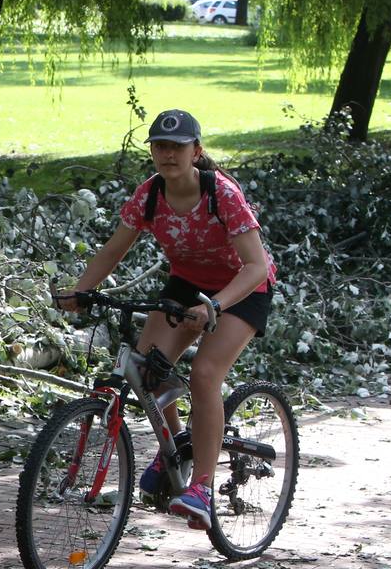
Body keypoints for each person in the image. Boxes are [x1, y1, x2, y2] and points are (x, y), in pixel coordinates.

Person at [58, 108, 276, 530]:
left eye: (177, 147)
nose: (168, 154)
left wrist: (214, 306)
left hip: (242, 288)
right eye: (160, 146)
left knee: (205, 374)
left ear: (196, 151)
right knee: (147, 367)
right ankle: (174, 444)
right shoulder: (150, 195)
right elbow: (112, 251)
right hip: (188, 284)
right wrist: (82, 289)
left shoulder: (221, 194)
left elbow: (256, 267)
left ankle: (202, 488)